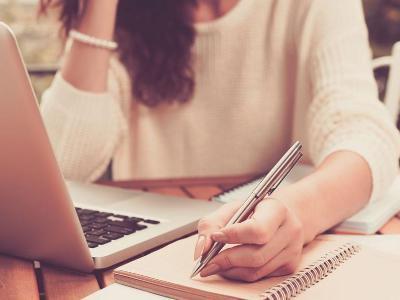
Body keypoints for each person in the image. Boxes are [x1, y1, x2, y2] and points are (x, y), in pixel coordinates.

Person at [39, 0, 400, 282]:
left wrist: (298, 212)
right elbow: (60, 165)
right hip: (151, 260)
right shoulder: (121, 15)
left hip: (273, 259)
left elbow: (366, 135)